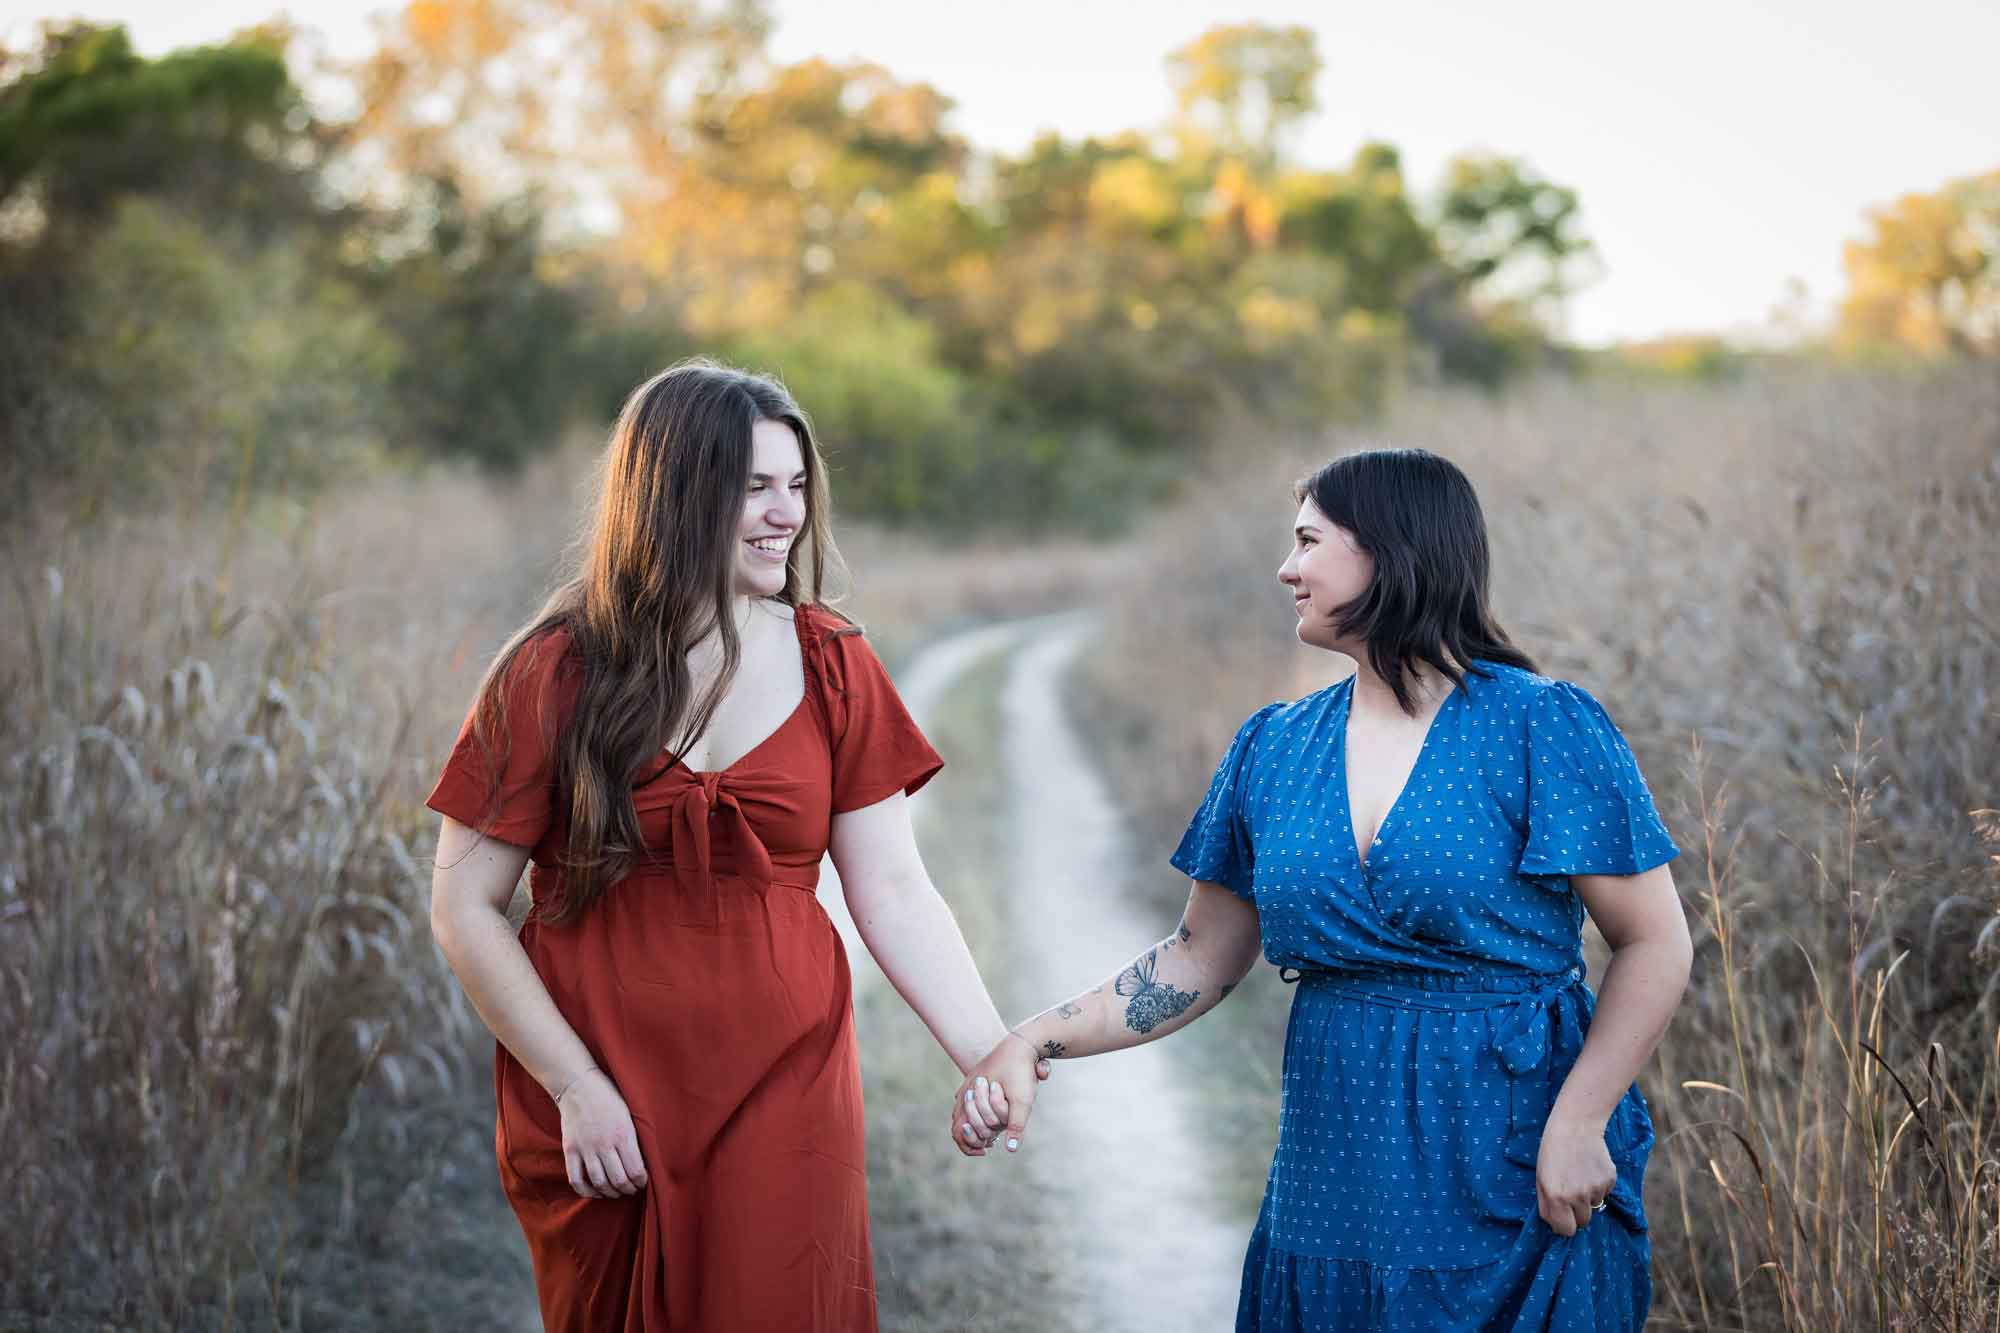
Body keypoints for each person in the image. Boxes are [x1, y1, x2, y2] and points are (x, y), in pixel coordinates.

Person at [952, 447, 1693, 1332]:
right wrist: (1034, 1040)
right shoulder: (1275, 745)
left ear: (1389, 549)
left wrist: (1580, 1121)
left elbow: (1654, 941)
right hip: (1334, 1165)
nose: (1286, 567)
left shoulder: (1543, 725)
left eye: (1308, 541)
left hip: (1511, 1153)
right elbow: (1200, 956)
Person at [428, 359, 1032, 1331]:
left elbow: (892, 888)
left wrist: (984, 1050)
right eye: (752, 486)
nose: (783, 513)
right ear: (669, 493)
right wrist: (575, 1086)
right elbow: (462, 908)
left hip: (782, 1076)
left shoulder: (834, 660)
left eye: (795, 486)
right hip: (599, 1090)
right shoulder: (550, 671)